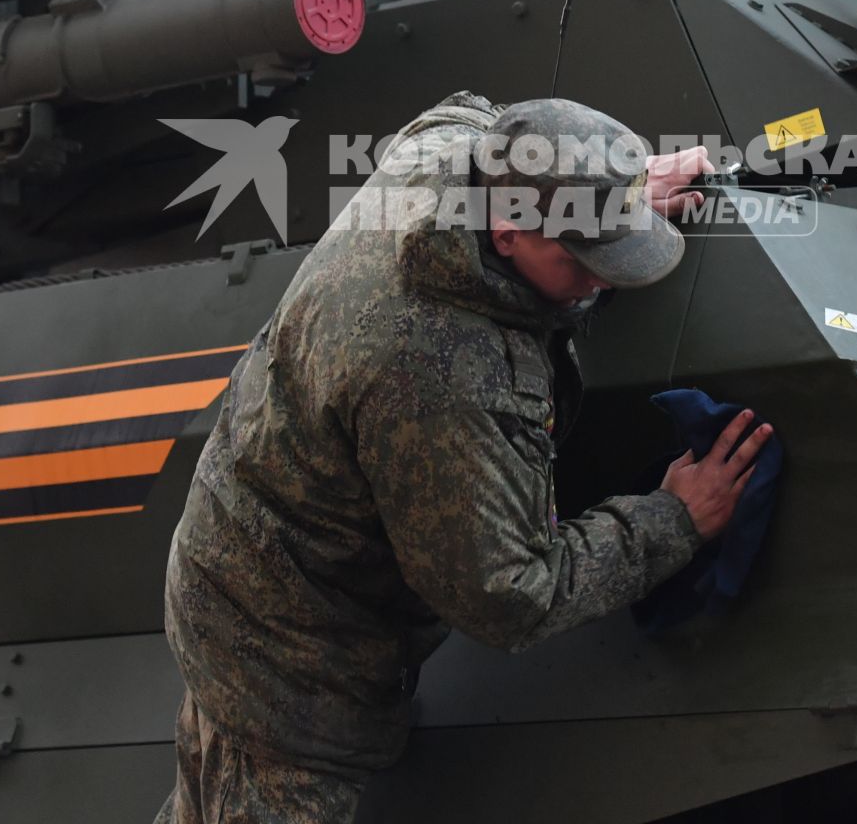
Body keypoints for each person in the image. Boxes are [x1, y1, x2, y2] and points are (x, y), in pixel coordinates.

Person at [158, 91, 774, 824]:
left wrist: (621, 188)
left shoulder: (448, 158)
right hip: (287, 654)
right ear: (508, 231)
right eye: (579, 258)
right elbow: (508, 592)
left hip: (237, 551)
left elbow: (468, 110)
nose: (601, 279)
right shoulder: (439, 375)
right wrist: (673, 520)